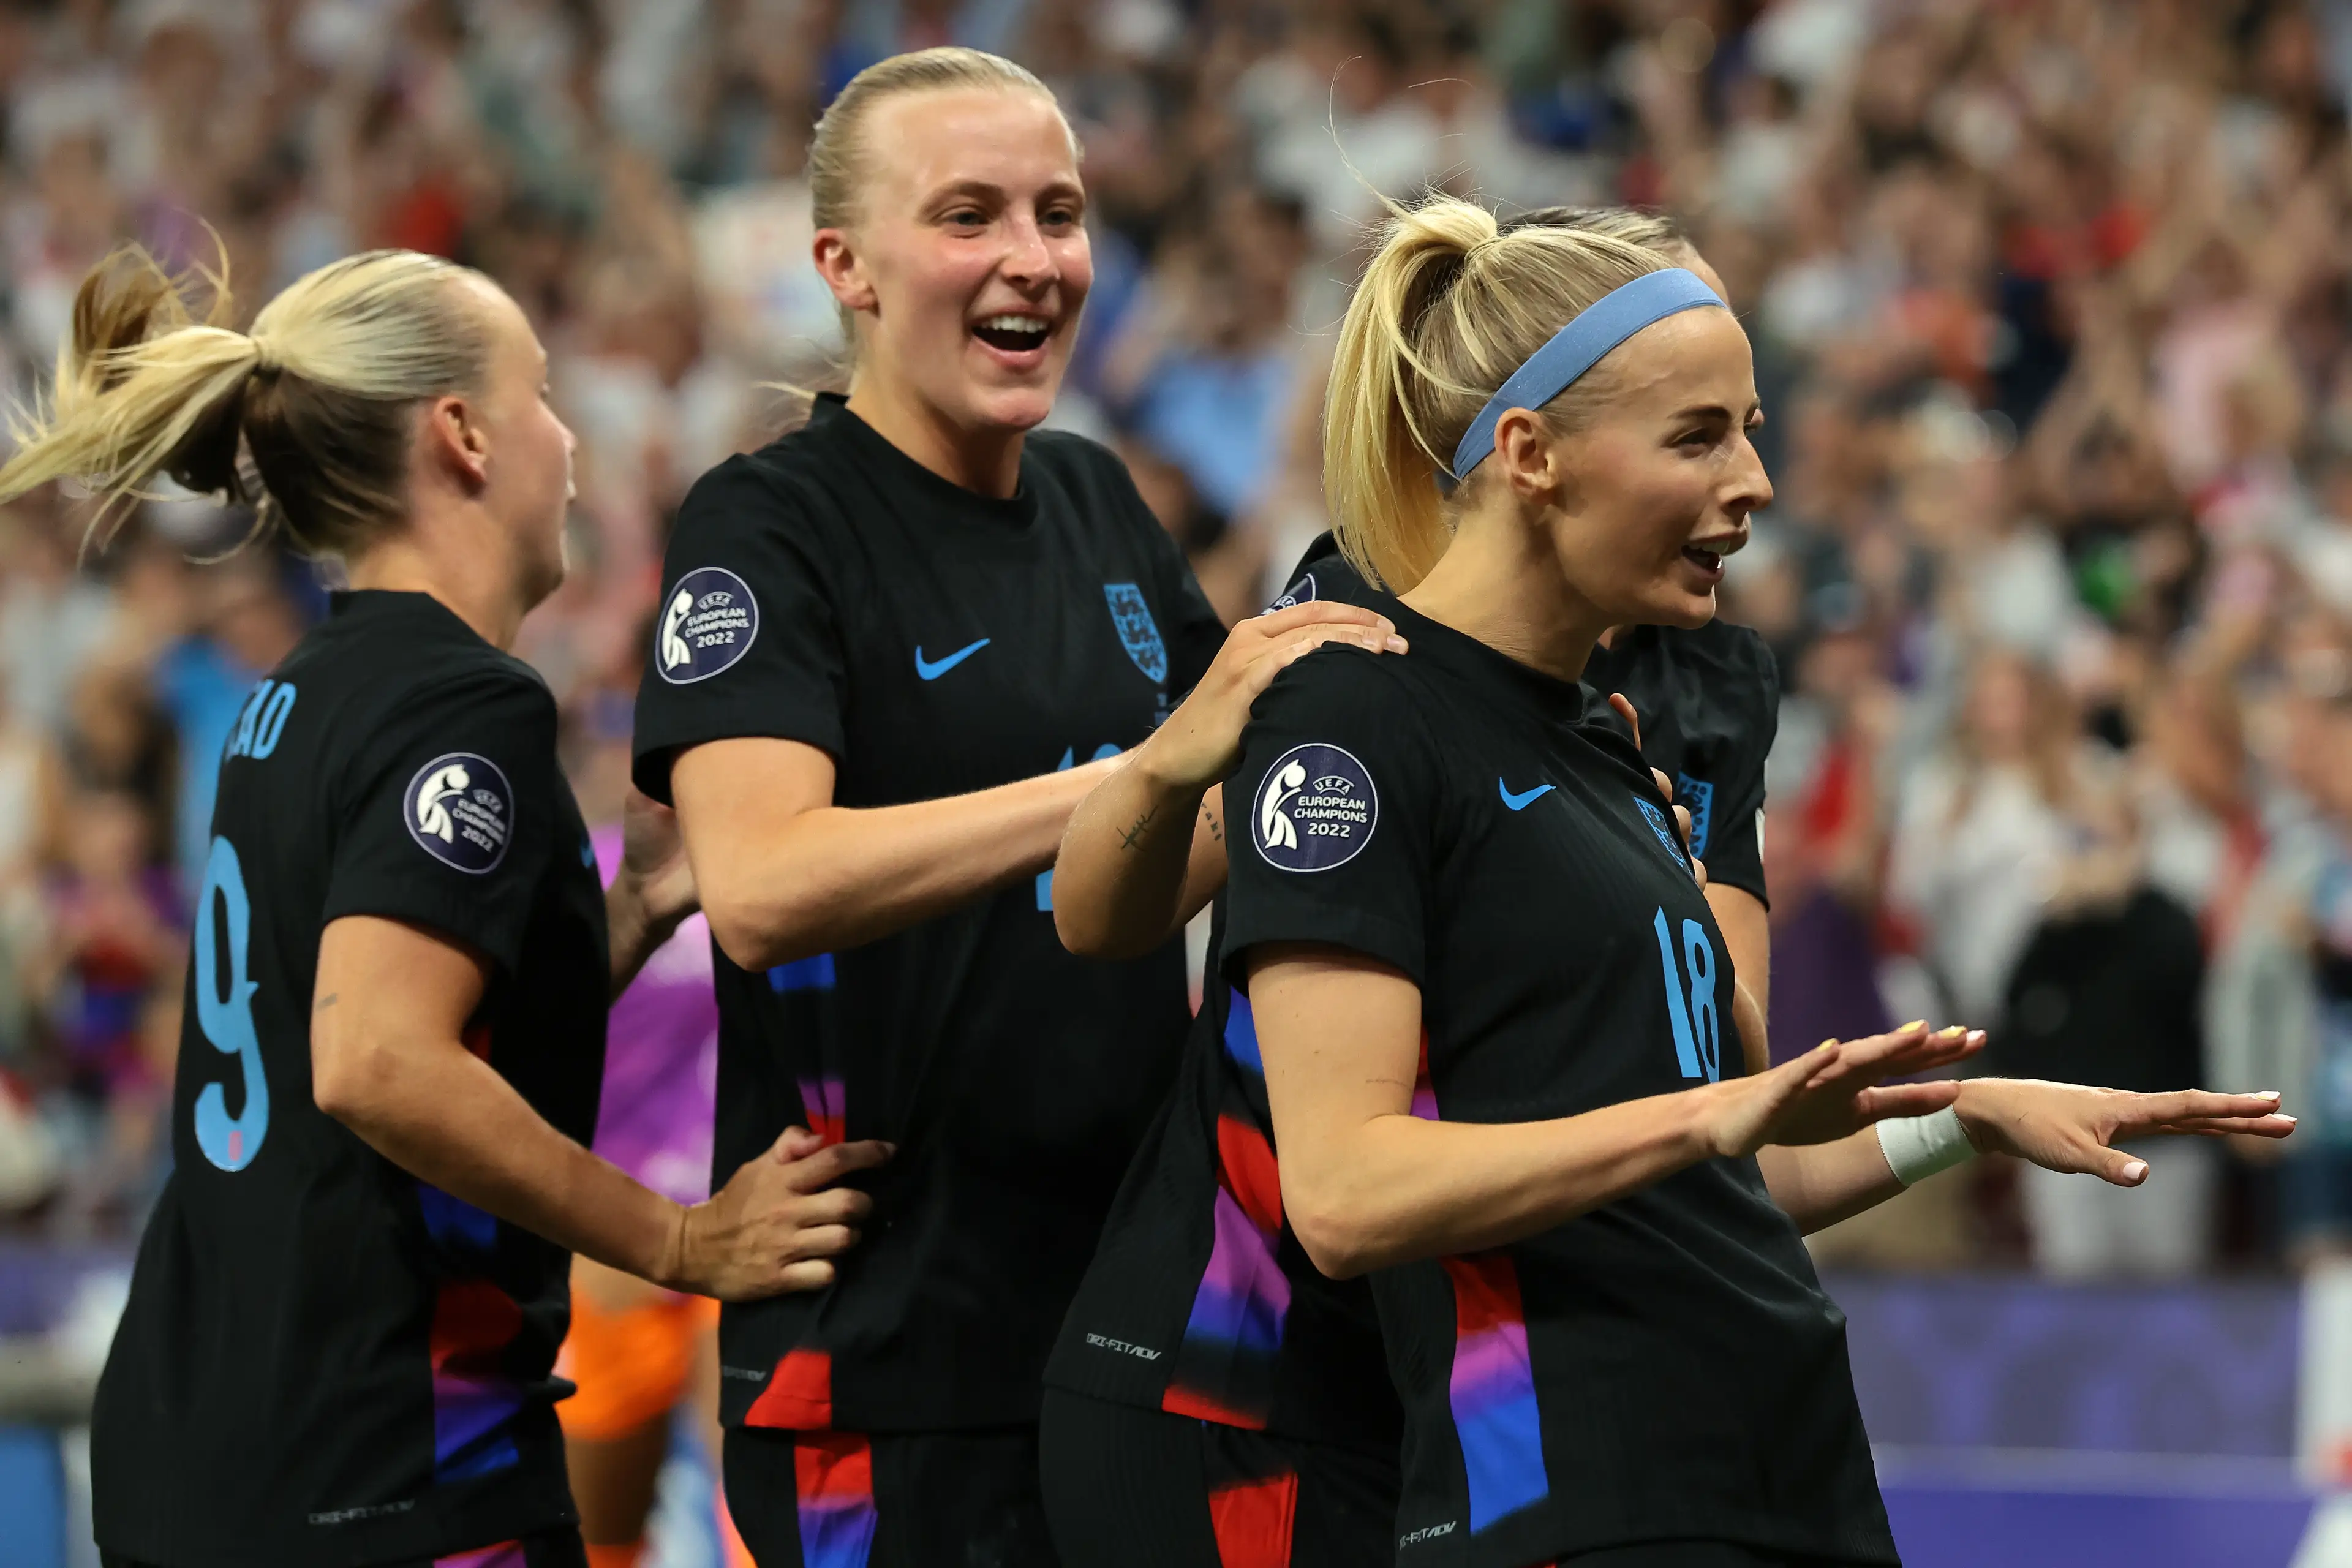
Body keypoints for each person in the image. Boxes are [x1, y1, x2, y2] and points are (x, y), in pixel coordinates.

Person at [1039, 199, 2296, 1567]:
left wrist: (1964, 1115)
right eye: (1700, 431)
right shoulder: (1352, 675)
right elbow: (1337, 1164)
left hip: (1746, 1454)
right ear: (1531, 453)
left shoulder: (1634, 738)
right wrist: (1166, 765)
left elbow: (1730, 1131)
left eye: (1749, 422)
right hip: (1308, 1400)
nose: (1757, 480)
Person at [0, 244, 888, 1568]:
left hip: (202, 1443)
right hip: (382, 1465)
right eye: (539, 391)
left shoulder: (298, 693)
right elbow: (377, 1062)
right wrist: (680, 1236)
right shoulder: (464, 703)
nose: (568, 432)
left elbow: (383, 1027)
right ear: (462, 433)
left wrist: (628, 916)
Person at [627, 48, 1391, 1568]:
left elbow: (1174, 851)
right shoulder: (769, 522)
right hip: (885, 1353)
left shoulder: (1103, 502)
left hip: (1124, 1333)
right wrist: (1124, 781)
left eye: (1060, 212)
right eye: (970, 216)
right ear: (842, 264)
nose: (1033, 259)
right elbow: (762, 878)